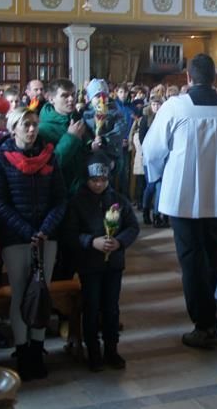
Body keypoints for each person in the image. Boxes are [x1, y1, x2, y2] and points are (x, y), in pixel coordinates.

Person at [141, 54, 217, 350]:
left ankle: (204, 324)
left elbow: (152, 150)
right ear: (215, 78)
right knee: (211, 256)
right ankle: (207, 317)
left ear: (188, 78)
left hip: (183, 197)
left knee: (191, 260)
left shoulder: (175, 107)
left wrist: (157, 176)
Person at [0, 107, 71, 380]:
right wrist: (27, 231)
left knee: (41, 292)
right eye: (26, 124)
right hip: (16, 238)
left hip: (46, 237)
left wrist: (45, 229)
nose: (32, 129)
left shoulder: (49, 157)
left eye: (35, 124)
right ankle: (22, 351)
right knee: (21, 293)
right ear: (13, 128)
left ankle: (37, 349)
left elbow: (60, 198)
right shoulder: (2, 160)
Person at [70, 154, 139, 371]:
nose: (99, 184)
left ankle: (111, 348)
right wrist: (91, 241)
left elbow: (132, 226)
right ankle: (93, 350)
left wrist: (119, 242)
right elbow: (70, 233)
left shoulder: (118, 200)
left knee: (111, 308)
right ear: (87, 180)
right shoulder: (77, 202)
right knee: (91, 307)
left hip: (114, 265)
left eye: (103, 180)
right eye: (94, 180)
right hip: (89, 264)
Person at [37, 79, 88, 196]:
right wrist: (71, 137)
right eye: (65, 95)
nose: (71, 99)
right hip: (60, 193)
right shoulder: (43, 129)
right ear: (51, 99)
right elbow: (51, 164)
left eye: (73, 94)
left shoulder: (77, 119)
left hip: (82, 191)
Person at [138, 94, 164, 227]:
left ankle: (156, 215)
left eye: (158, 104)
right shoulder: (145, 118)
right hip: (149, 156)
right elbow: (142, 138)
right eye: (153, 104)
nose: (156, 107)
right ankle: (146, 210)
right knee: (151, 185)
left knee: (160, 186)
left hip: (162, 156)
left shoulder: (165, 117)